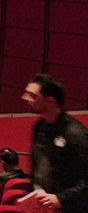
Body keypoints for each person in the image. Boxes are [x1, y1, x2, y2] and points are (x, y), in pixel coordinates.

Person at [24, 73, 88, 213]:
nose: (25, 98)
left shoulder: (75, 134)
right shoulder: (39, 127)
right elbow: (37, 169)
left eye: (32, 95)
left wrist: (60, 199)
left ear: (49, 101)